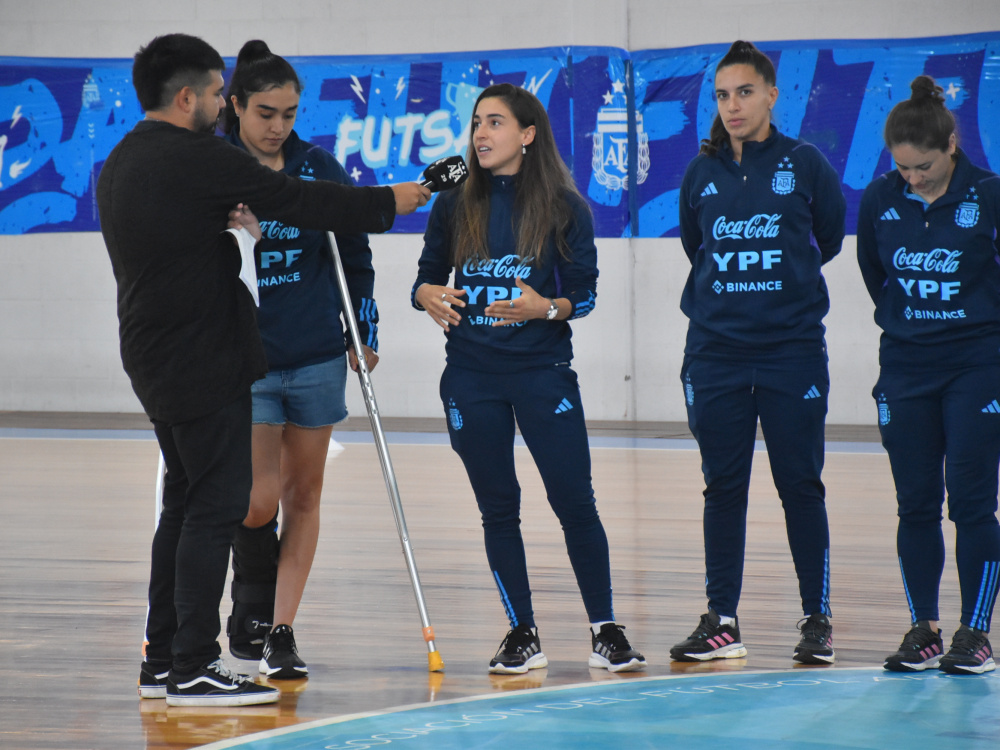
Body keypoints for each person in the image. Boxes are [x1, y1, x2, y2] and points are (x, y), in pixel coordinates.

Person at [97, 33, 429, 707]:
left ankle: (162, 659)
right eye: (218, 93)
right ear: (186, 97)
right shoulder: (201, 158)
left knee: (184, 503)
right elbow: (303, 202)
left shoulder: (123, 159)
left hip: (152, 354)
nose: (222, 104)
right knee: (215, 507)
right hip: (205, 357)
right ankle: (194, 665)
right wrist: (392, 199)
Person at [411, 83, 645, 675]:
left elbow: (585, 294)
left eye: (495, 122)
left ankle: (606, 630)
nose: (481, 133)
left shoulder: (565, 206)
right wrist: (425, 294)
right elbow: (425, 277)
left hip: (543, 374)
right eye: (476, 123)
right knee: (499, 509)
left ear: (527, 134)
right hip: (471, 377)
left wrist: (547, 308)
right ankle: (521, 632)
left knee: (575, 502)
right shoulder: (453, 201)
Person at [671, 40, 846, 665]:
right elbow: (697, 247)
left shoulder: (805, 164)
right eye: (722, 95)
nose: (732, 105)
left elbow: (827, 239)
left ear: (772, 95)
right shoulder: (700, 173)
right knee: (723, 486)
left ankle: (817, 619)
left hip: (791, 353)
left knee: (800, 484)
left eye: (744, 92)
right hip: (715, 353)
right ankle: (722, 619)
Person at [219, 40, 381, 680]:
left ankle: (280, 631)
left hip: (316, 357)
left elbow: (356, 257)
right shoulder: (215, 168)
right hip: (248, 360)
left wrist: (362, 331)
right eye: (265, 113)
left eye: (288, 114)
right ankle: (250, 598)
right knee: (257, 501)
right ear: (235, 105)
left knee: (304, 496)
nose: (277, 126)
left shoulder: (318, 167)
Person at [857, 75, 1000, 675]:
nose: (913, 178)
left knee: (971, 503)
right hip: (906, 366)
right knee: (915, 504)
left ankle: (976, 632)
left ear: (951, 146)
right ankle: (925, 629)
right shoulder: (880, 198)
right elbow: (875, 274)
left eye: (924, 167)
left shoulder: (989, 195)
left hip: (977, 367)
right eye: (903, 167)